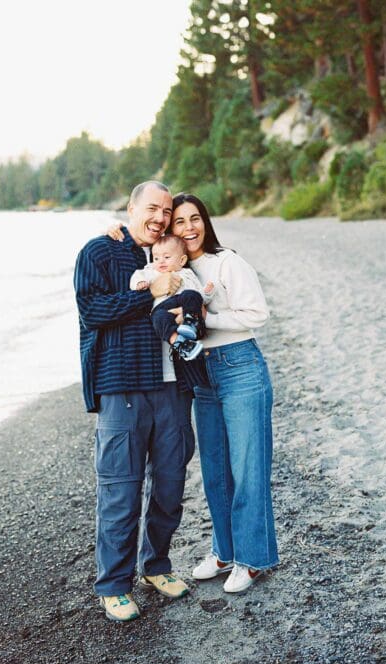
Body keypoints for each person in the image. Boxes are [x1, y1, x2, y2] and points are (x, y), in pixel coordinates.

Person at [109, 193, 277, 594]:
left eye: (195, 219)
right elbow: (134, 247)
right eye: (179, 221)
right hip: (201, 374)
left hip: (239, 368)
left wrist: (203, 319)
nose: (188, 228)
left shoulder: (227, 262)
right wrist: (113, 231)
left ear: (206, 221)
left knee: (248, 469)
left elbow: (258, 315)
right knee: (215, 470)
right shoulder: (165, 264)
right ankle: (224, 552)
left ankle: (252, 559)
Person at [74, 180, 195, 622]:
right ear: (130, 207)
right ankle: (113, 584)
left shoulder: (173, 252)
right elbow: (94, 312)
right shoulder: (99, 251)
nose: (160, 217)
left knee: (169, 486)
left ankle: (156, 566)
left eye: (167, 210)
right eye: (152, 208)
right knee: (121, 490)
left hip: (172, 389)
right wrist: (149, 290)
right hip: (122, 388)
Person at [130, 233, 214, 361]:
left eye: (167, 257)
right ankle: (180, 344)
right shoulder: (151, 270)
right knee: (158, 319)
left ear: (182, 260)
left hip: (183, 302)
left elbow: (199, 297)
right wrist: (139, 283)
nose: (160, 261)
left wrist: (206, 293)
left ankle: (191, 322)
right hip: (162, 306)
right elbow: (137, 275)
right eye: (156, 258)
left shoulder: (187, 273)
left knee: (191, 295)